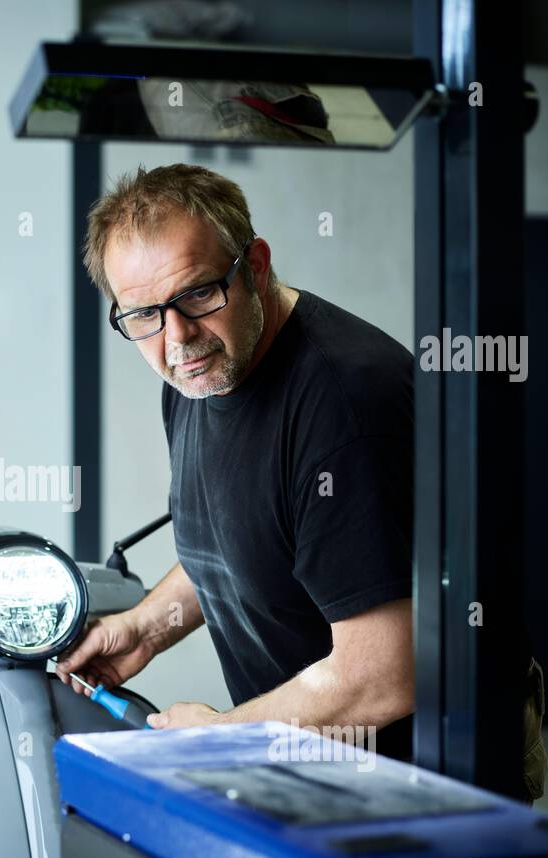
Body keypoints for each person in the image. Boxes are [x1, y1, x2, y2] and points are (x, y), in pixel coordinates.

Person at [56, 163, 416, 762]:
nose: (175, 338)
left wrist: (224, 734)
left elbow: (385, 673)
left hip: (412, 788)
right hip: (303, 767)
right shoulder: (194, 376)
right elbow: (237, 544)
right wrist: (145, 629)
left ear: (255, 265)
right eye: (142, 314)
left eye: (197, 293)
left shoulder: (347, 406)